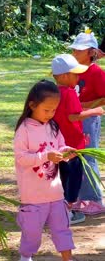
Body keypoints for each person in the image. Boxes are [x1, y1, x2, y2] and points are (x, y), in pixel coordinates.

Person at [14, 80, 77, 261]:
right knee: (32, 233)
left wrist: (66, 153)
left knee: (62, 229)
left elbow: (60, 148)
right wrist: (46, 156)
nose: (50, 114)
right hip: (33, 197)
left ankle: (67, 258)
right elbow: (21, 159)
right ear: (32, 105)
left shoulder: (53, 127)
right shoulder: (24, 130)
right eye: (46, 110)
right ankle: (26, 256)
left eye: (54, 110)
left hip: (56, 193)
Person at [51, 54, 104, 225]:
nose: (78, 77)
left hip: (61, 144)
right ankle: (69, 212)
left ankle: (60, 207)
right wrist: (96, 111)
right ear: (65, 76)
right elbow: (74, 116)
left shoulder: (54, 92)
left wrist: (83, 137)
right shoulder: (70, 93)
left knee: (63, 176)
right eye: (75, 74)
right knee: (74, 177)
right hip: (72, 147)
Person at [69, 30, 105, 215]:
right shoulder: (73, 69)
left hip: (89, 119)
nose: (75, 52)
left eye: (79, 50)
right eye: (74, 49)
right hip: (75, 119)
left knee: (88, 157)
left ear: (91, 52)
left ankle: (95, 199)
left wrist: (87, 105)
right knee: (76, 156)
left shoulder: (96, 72)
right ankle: (81, 197)